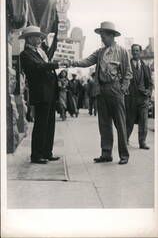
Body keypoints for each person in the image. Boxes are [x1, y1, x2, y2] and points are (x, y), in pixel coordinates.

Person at [62, 21, 133, 165]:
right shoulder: (100, 52)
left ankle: (124, 155)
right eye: (101, 35)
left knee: (120, 123)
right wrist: (71, 63)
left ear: (112, 36)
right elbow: (86, 61)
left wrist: (123, 88)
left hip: (115, 89)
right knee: (104, 124)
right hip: (102, 89)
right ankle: (106, 154)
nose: (102, 38)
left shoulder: (122, 52)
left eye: (104, 35)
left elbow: (128, 73)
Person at [19, 25, 61, 164]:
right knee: (41, 125)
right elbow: (38, 67)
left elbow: (44, 66)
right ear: (30, 39)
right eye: (38, 36)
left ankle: (47, 152)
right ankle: (36, 155)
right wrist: (56, 64)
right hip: (41, 93)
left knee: (49, 124)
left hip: (49, 92)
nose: (40, 38)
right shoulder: (25, 54)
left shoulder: (40, 52)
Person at [125, 44, 153, 149]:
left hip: (143, 99)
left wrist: (148, 91)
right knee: (129, 121)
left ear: (140, 52)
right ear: (131, 52)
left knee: (143, 122)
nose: (135, 52)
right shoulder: (127, 66)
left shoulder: (145, 67)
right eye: (133, 50)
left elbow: (150, 83)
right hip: (131, 99)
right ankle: (125, 140)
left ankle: (142, 142)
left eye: (137, 50)